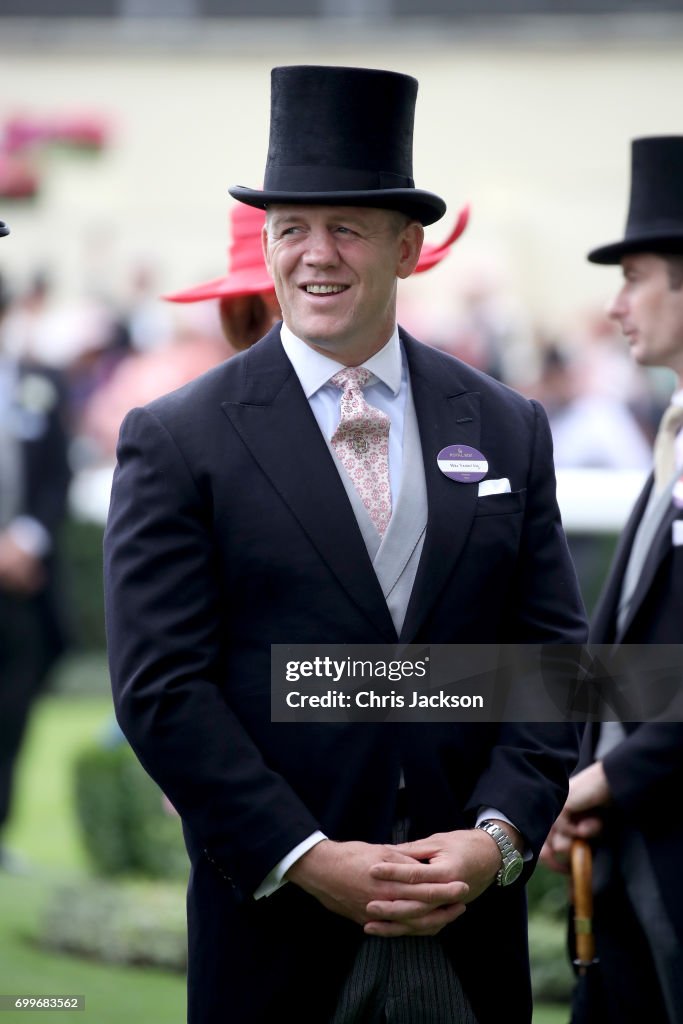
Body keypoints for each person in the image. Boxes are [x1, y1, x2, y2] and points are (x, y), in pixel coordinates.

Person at [104, 65, 587, 1024]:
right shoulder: (177, 438)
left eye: (346, 228)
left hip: (466, 933)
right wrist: (304, 856)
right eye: (290, 228)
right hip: (277, 937)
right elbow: (161, 690)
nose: (312, 256)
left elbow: (554, 663)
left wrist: (493, 841)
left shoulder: (506, 424)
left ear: (408, 247)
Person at [540, 136, 683, 1024]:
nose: (614, 304)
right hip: (629, 859)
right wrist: (575, 767)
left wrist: (594, 782)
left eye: (634, 277)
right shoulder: (669, 430)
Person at [162, 198, 471, 350]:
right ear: (269, 250)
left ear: (403, 251)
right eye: (293, 230)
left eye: (345, 230)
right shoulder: (188, 426)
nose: (320, 258)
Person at [0, 224, 72, 868]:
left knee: (13, 708)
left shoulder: (36, 383)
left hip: (19, 583)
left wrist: (25, 539)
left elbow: (57, 475)